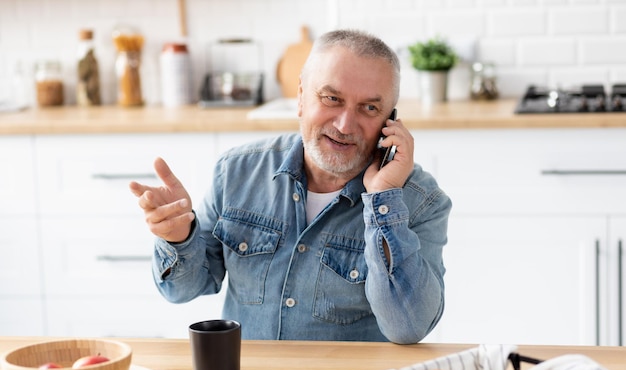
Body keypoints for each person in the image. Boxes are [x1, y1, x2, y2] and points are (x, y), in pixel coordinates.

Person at [129, 29, 452, 344]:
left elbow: (408, 328)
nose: (344, 125)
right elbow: (183, 290)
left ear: (390, 121)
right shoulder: (235, 172)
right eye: (331, 99)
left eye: (369, 108)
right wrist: (178, 238)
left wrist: (384, 199)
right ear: (300, 97)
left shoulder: (420, 201)